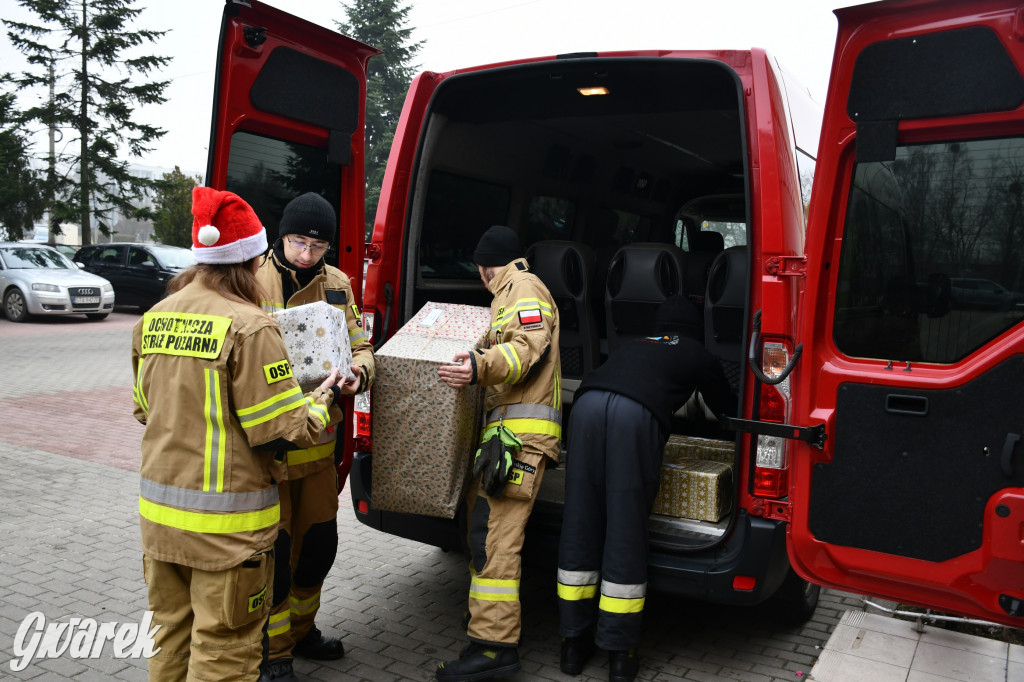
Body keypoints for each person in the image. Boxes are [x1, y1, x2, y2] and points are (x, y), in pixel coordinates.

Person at [131, 187, 351, 681]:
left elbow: (144, 408)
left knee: (170, 637)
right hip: (224, 529)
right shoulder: (250, 326)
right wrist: (323, 398)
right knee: (224, 647)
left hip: (160, 521)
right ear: (252, 259)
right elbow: (282, 427)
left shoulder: (154, 318)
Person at [555, 296, 737, 682]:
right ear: (693, 330)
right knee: (624, 528)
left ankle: (572, 645)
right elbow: (727, 409)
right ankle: (620, 654)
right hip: (632, 417)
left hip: (585, 407)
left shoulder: (632, 345)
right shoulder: (697, 353)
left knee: (581, 520)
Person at [255, 192, 375, 682]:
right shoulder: (250, 277)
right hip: (274, 449)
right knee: (276, 558)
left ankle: (303, 633)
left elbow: (362, 345)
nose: (307, 254)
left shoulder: (339, 284)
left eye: (318, 245)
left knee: (319, 548)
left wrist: (359, 376)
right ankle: (274, 652)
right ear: (280, 236)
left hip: (321, 445)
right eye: (298, 242)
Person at [436, 225, 562, 681]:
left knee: (495, 541)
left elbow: (527, 347)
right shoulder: (508, 290)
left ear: (484, 268)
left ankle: (493, 651)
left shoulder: (523, 288)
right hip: (506, 435)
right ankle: (488, 625)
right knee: (482, 532)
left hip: (523, 438)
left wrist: (477, 365)